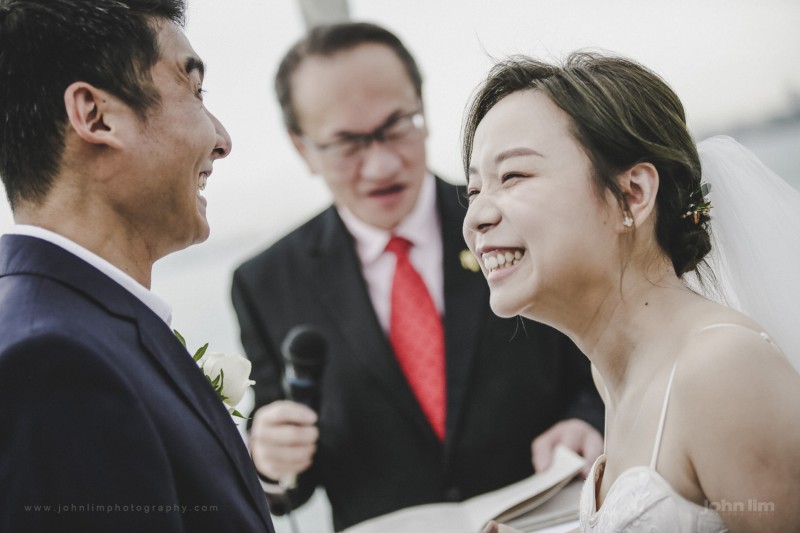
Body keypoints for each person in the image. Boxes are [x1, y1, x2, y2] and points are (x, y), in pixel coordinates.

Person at [231, 22, 604, 531]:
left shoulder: (520, 220)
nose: (382, 164)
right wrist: (270, 461)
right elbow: (293, 480)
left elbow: (601, 360)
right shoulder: (266, 282)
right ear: (303, 149)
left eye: (396, 126)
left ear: (423, 110)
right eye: (348, 143)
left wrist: (586, 420)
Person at [462, 51, 800, 531]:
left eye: (512, 176)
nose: (476, 217)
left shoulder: (721, 370)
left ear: (633, 194)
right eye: (474, 190)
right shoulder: (613, 377)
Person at [0, 1, 275, 531]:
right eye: (195, 92)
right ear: (96, 116)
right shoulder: (50, 363)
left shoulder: (83, 326)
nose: (222, 139)